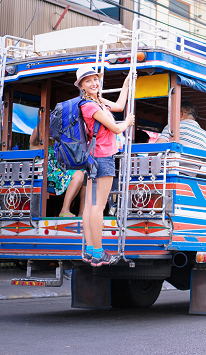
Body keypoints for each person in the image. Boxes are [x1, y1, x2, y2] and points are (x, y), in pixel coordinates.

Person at [75, 65, 135, 267]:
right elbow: (117, 128)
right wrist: (128, 122)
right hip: (103, 158)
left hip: (93, 159)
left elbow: (118, 106)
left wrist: (126, 83)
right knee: (98, 206)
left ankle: (91, 250)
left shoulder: (96, 101)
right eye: (88, 81)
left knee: (91, 206)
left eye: (95, 79)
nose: (94, 83)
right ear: (82, 86)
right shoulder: (90, 106)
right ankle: (99, 252)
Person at [30, 127, 86, 217]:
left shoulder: (54, 142)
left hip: (58, 173)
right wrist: (47, 120)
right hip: (45, 175)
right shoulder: (37, 142)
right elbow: (38, 129)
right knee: (78, 175)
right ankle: (64, 210)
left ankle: (82, 213)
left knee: (85, 173)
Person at [156, 101, 206, 175]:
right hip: (190, 177)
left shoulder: (174, 127)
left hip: (166, 175)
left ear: (182, 114)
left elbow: (156, 148)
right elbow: (203, 161)